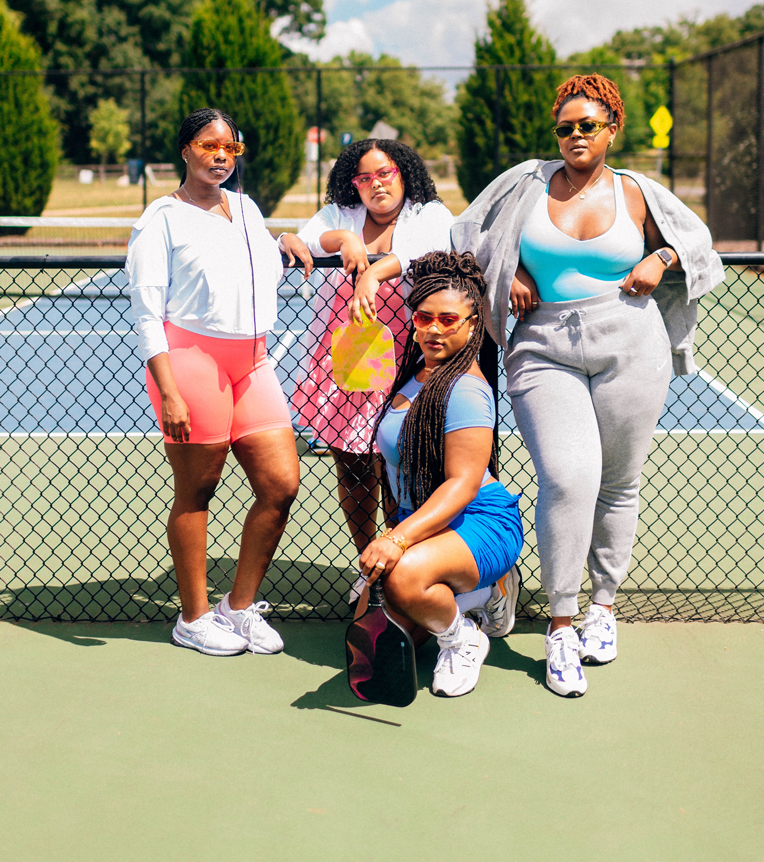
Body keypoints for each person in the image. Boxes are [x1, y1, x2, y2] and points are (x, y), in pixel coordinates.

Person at [452, 73, 724, 698]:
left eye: (588, 126)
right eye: (566, 127)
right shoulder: (526, 182)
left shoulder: (636, 193)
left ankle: (605, 605)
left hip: (630, 342)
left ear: (612, 130)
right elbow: (467, 232)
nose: (575, 136)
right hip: (543, 346)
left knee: (620, 482)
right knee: (569, 479)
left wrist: (662, 257)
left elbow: (698, 241)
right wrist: (512, 265)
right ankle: (562, 623)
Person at [126, 107, 313, 657]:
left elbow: (255, 265)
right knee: (198, 491)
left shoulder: (248, 209)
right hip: (191, 362)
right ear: (184, 150)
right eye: (209, 146)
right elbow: (145, 312)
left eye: (230, 148)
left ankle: (237, 607)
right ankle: (193, 617)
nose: (220, 156)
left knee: (280, 484)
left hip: (252, 361)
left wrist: (285, 239)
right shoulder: (161, 218)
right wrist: (169, 390)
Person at [359, 250, 524, 698]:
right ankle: (475, 597)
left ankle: (464, 635)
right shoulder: (415, 371)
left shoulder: (467, 389)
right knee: (377, 633)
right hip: (430, 522)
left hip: (479, 522)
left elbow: (462, 484)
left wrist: (396, 539)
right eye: (423, 317)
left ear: (473, 323)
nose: (432, 329)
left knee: (404, 580)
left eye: (448, 320)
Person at [290, 139, 453, 591]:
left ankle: (398, 555)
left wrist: (374, 272)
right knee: (355, 469)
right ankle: (369, 565)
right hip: (349, 360)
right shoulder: (342, 216)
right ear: (353, 183)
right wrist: (343, 239)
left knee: (402, 464)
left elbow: (430, 250)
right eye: (365, 178)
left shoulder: (429, 213)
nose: (376, 184)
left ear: (403, 174)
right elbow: (303, 239)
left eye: (385, 174)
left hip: (411, 356)